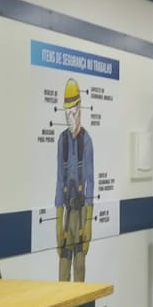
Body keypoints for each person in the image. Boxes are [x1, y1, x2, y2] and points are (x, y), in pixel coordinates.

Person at [55, 77, 95, 281]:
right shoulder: (62, 141)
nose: (69, 116)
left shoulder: (86, 141)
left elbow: (90, 183)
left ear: (79, 109)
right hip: (66, 213)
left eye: (72, 111)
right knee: (63, 266)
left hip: (80, 213)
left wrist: (88, 223)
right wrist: (57, 224)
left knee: (79, 266)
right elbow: (59, 180)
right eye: (66, 111)